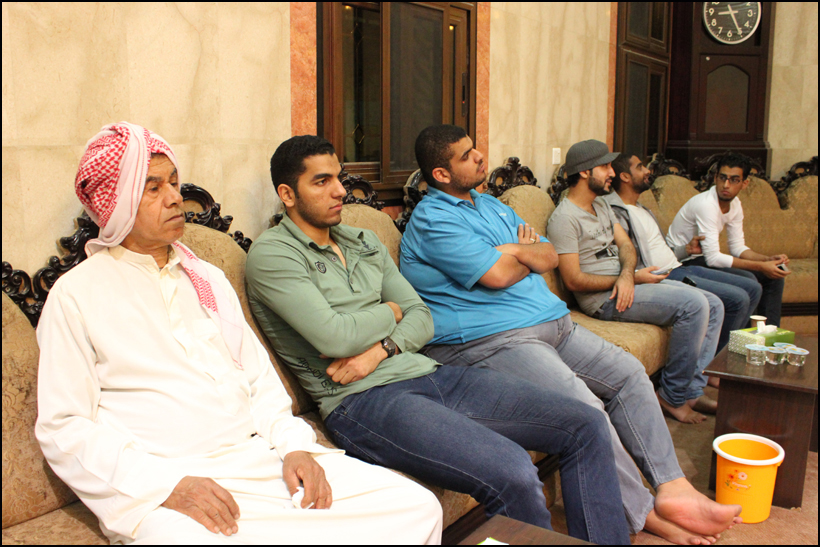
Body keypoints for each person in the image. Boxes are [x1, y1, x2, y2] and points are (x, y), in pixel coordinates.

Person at [35, 122, 443, 545]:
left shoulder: (205, 278)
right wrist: (166, 485)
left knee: (414, 507)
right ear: (116, 203)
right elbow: (64, 426)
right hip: (164, 484)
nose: (174, 197)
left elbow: (258, 380)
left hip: (257, 460)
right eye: (153, 188)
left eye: (173, 182)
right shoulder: (76, 295)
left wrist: (295, 447)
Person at [246, 135, 632, 545]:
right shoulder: (273, 255)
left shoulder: (364, 241)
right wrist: (391, 311)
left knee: (586, 423)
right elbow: (336, 337)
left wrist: (381, 348)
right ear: (287, 194)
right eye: (321, 182)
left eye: (339, 178)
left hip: (430, 371)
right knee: (514, 471)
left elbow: (423, 317)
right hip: (363, 401)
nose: (340, 190)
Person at [400, 125, 741, 546]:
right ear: (441, 174)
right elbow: (498, 274)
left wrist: (515, 251)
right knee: (585, 408)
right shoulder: (433, 219)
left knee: (630, 375)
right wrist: (517, 254)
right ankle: (642, 513)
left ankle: (674, 490)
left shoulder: (489, 204)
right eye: (466, 155)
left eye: (475, 149)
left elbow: (547, 256)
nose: (479, 156)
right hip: (493, 339)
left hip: (553, 322)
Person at [546, 139, 725, 424]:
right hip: (603, 299)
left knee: (714, 304)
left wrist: (628, 275)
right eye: (605, 167)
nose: (612, 173)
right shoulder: (564, 218)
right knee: (694, 305)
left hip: (628, 283)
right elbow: (573, 281)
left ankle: (691, 390)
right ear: (584, 172)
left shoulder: (601, 204)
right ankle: (672, 396)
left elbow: (626, 245)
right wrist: (623, 281)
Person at [606, 153, 764, 407]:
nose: (648, 171)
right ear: (625, 177)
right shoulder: (616, 212)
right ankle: (700, 379)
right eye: (641, 167)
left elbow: (661, 250)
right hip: (668, 275)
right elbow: (630, 258)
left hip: (678, 264)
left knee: (752, 288)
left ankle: (714, 367)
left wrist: (685, 250)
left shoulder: (642, 209)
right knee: (736, 298)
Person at [666, 152, 789, 327]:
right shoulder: (706, 204)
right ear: (715, 177)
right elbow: (713, 258)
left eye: (734, 180)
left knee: (773, 276)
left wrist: (766, 260)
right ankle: (743, 338)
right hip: (683, 261)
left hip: (702, 259)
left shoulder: (735, 204)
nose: (726, 185)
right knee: (750, 280)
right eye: (722, 178)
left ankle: (768, 335)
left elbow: (737, 247)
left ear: (744, 183)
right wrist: (761, 266)